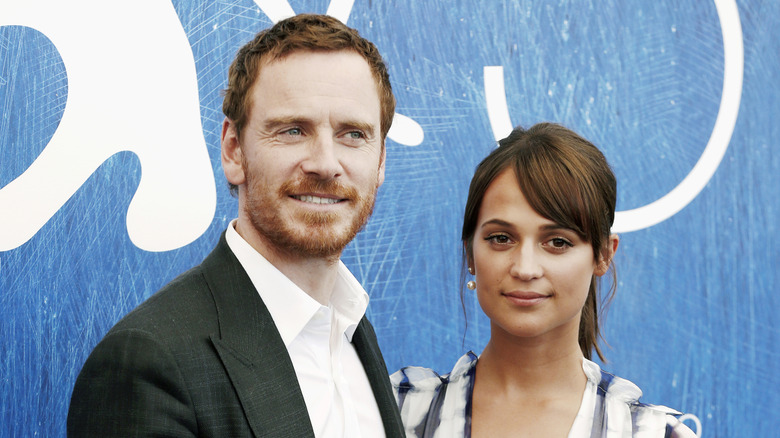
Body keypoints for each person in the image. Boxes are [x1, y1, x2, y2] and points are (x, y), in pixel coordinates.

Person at [68, 14, 404, 437]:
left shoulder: (352, 330)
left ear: (380, 161)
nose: (325, 163)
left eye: (353, 134)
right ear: (233, 151)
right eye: (293, 130)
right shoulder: (149, 364)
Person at [391, 123, 696, 437]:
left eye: (558, 242)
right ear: (470, 253)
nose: (525, 268)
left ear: (603, 255)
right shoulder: (396, 409)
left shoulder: (652, 433)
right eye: (500, 238)